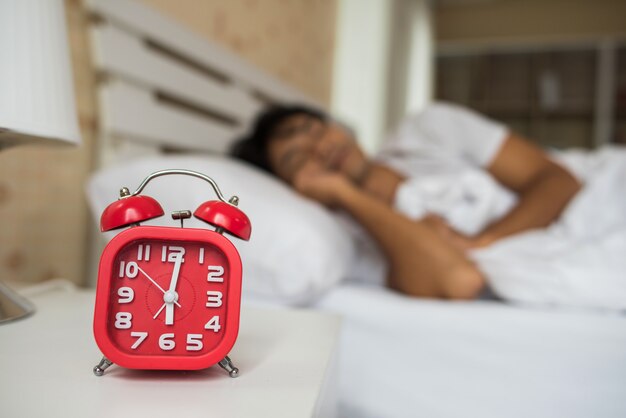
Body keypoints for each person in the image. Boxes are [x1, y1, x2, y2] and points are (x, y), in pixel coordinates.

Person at [231, 103, 582, 301]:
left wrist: (480, 242)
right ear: (295, 188)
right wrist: (345, 194)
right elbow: (460, 280)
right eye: (298, 158)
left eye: (316, 129)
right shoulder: (352, 235)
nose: (322, 147)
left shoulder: (429, 129)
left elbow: (561, 181)